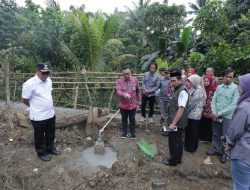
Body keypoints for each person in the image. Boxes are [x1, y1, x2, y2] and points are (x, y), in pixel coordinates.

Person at [22, 63, 61, 162]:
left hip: (50, 113)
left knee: (50, 133)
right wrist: (35, 107)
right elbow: (25, 99)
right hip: (38, 115)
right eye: (43, 73)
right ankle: (41, 153)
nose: (46, 75)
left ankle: (50, 148)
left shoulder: (49, 81)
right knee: (39, 136)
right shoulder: (30, 84)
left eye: (47, 73)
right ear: (38, 71)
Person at [207, 68, 239, 163]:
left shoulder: (235, 89)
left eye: (230, 77)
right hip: (215, 115)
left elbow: (233, 105)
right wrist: (214, 112)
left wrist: (218, 113)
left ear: (233, 78)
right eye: (226, 77)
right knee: (216, 133)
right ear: (223, 77)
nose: (228, 79)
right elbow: (214, 100)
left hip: (227, 117)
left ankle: (224, 153)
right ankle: (216, 149)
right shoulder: (219, 87)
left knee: (225, 136)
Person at [225, 73, 250, 190]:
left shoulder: (245, 107)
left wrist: (228, 143)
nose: (238, 87)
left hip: (243, 153)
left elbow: (236, 130)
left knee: (240, 186)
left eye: (240, 85)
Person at [163, 69, 189, 166]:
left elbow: (181, 109)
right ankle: (178, 159)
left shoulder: (182, 91)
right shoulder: (178, 89)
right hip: (177, 121)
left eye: (174, 81)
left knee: (173, 141)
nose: (172, 83)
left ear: (180, 80)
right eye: (171, 81)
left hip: (177, 122)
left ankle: (173, 161)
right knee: (178, 141)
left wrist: (173, 123)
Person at [116, 66, 141, 140]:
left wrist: (139, 100)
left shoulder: (135, 80)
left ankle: (133, 133)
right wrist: (125, 94)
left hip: (133, 104)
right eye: (124, 74)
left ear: (130, 73)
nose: (126, 75)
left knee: (132, 119)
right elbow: (118, 91)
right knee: (124, 119)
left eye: (128, 73)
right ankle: (125, 133)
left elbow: (138, 91)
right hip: (123, 105)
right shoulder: (119, 81)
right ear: (122, 74)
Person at [185, 74, 205, 152]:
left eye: (191, 82)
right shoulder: (193, 88)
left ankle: (192, 147)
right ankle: (187, 145)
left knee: (193, 131)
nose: (189, 83)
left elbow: (192, 102)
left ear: (195, 81)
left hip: (195, 114)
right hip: (190, 113)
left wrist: (185, 109)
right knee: (188, 130)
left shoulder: (199, 90)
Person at [199, 75, 216, 142]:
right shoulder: (202, 89)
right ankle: (202, 136)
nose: (205, 82)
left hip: (209, 110)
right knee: (203, 123)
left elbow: (214, 100)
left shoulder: (213, 90)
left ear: (210, 81)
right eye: (204, 81)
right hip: (203, 110)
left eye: (207, 81)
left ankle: (208, 138)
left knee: (208, 124)